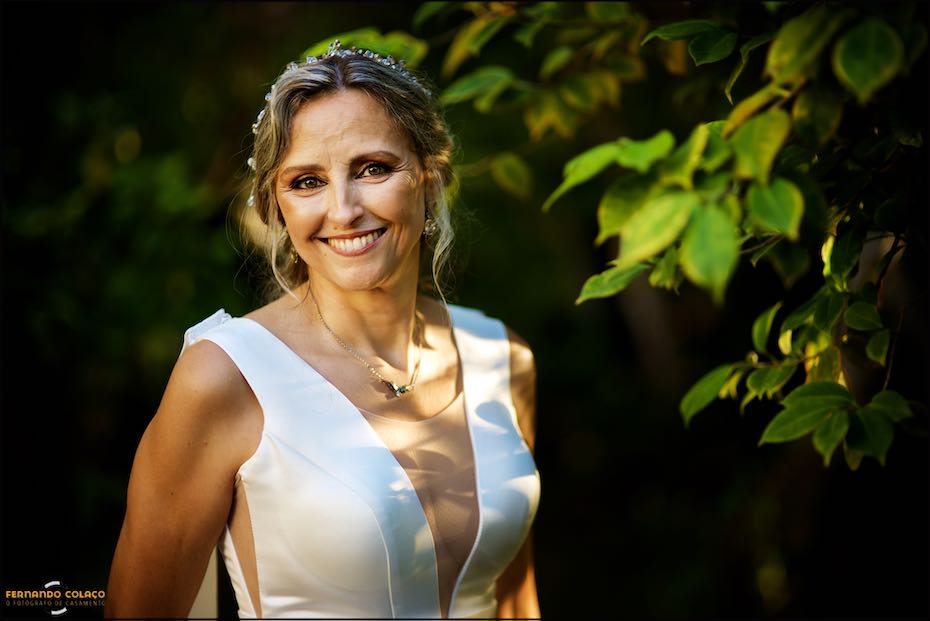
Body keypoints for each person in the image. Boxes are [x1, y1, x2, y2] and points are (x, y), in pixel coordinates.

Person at [104, 40, 541, 619]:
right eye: (306, 181)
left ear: (430, 176)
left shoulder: (501, 356)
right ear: (276, 205)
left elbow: (516, 600)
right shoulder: (226, 378)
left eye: (373, 168)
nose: (343, 209)